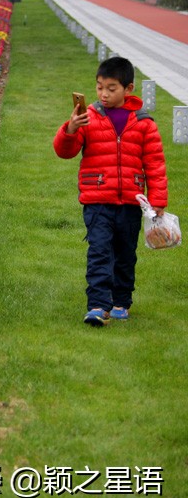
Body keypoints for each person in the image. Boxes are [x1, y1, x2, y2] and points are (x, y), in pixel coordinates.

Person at [53, 56, 168, 326]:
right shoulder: (87, 118)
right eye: (100, 87)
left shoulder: (144, 123)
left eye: (111, 88)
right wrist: (70, 129)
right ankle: (97, 305)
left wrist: (158, 200)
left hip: (131, 202)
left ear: (128, 89)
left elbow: (155, 163)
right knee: (99, 252)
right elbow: (64, 152)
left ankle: (120, 302)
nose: (104, 94)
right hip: (97, 201)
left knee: (125, 254)